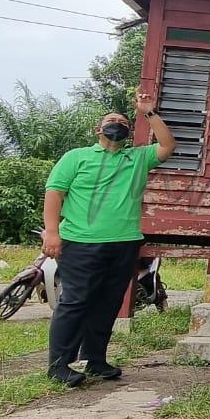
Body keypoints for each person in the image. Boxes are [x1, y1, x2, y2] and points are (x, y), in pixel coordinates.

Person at [41, 91, 176, 387]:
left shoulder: (137, 158)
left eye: (122, 121)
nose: (117, 124)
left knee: (107, 303)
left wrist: (148, 112)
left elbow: (167, 145)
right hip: (80, 242)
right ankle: (58, 365)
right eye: (111, 121)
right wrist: (52, 232)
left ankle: (96, 360)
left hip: (125, 243)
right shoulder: (76, 157)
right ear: (98, 130)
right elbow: (55, 193)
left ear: (129, 131)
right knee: (75, 301)